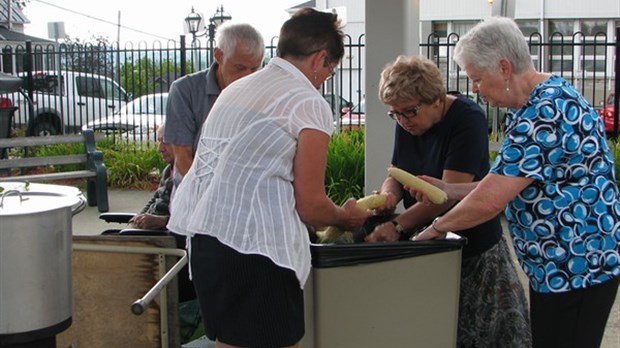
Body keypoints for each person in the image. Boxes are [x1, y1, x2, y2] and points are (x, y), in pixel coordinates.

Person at [167, 8, 372, 348]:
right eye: (330, 70)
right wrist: (343, 217)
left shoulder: (237, 89)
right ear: (321, 59)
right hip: (255, 249)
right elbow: (310, 205)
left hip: (206, 243)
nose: (324, 79)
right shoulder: (308, 101)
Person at [412, 17, 620, 348]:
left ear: (505, 68)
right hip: (560, 268)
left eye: (477, 79)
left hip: (577, 267)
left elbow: (491, 200)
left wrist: (434, 229)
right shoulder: (531, 105)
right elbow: (510, 182)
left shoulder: (544, 111)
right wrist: (448, 189)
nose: (474, 90)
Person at [364, 55, 531, 347]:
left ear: (436, 100)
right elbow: (397, 172)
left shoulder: (468, 118)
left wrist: (399, 225)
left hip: (473, 249)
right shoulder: (408, 119)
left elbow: (445, 196)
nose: (403, 121)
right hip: (428, 246)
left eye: (409, 112)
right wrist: (388, 194)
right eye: (395, 114)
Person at [164, 22, 265, 181]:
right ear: (218, 56)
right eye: (239, 68)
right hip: (194, 191)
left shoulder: (261, 92)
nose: (247, 76)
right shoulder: (185, 90)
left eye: (254, 69)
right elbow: (182, 159)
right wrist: (214, 196)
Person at [127, 123, 174, 230]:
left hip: (161, 236)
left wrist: (163, 221)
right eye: (159, 142)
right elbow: (155, 199)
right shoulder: (168, 170)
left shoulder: (186, 175)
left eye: (165, 142)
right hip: (144, 229)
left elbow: (189, 218)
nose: (160, 149)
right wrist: (137, 218)